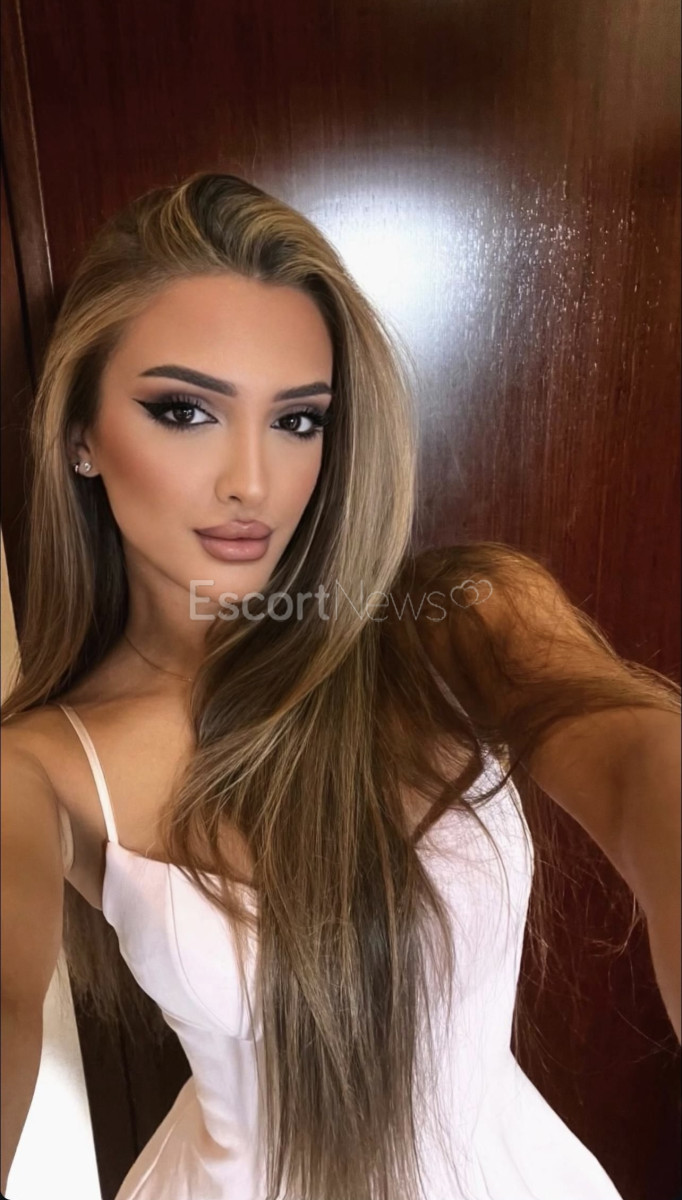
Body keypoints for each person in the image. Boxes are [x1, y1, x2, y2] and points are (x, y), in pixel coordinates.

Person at [1, 171, 679, 1200]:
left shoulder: (458, 621)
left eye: (298, 421)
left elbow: (636, 763)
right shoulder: (42, 767)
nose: (252, 482)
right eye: (184, 410)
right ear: (80, 437)